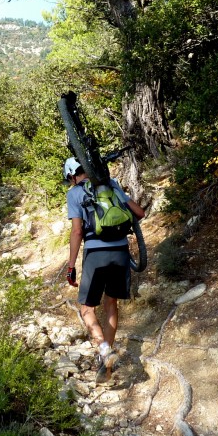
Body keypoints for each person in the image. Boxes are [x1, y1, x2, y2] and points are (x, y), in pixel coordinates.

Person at [63, 156, 145, 384]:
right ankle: (105, 367)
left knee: (87, 309)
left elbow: (77, 231)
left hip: (95, 255)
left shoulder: (75, 193)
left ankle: (104, 349)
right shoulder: (112, 185)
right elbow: (140, 213)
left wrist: (71, 267)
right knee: (111, 304)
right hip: (120, 253)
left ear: (71, 176)